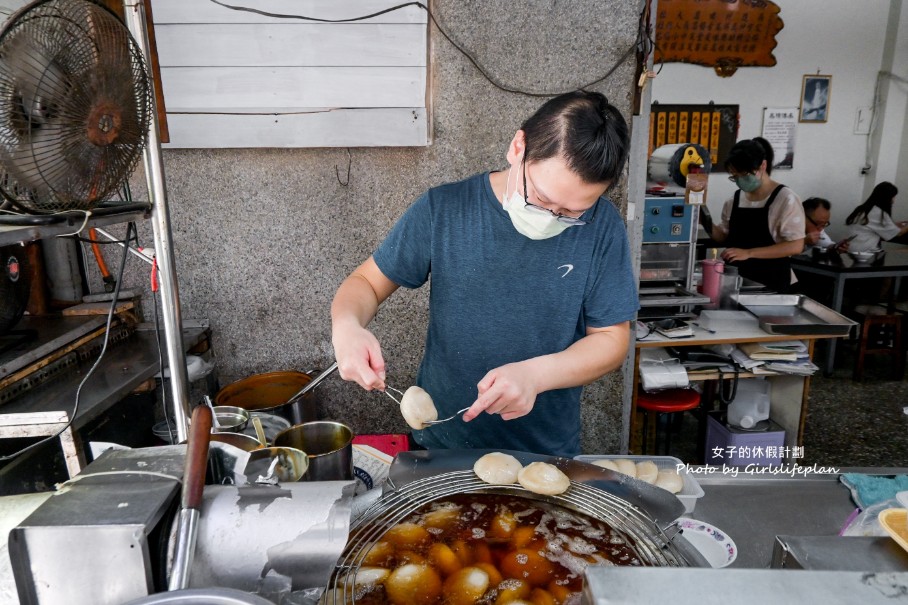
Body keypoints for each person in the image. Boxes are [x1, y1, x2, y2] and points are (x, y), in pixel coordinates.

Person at [330, 91, 638, 457]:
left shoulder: (602, 228)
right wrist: (347, 326)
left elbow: (610, 340)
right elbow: (366, 282)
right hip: (442, 443)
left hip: (544, 451)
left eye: (571, 212)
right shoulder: (445, 209)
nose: (551, 218)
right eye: (539, 197)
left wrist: (536, 376)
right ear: (518, 147)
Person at [699, 137, 805, 293]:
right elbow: (723, 237)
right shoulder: (734, 200)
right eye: (734, 177)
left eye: (745, 175)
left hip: (772, 283)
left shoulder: (785, 199)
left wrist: (749, 253)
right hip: (737, 280)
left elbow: (795, 246)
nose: (740, 180)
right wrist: (702, 218)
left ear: (763, 165)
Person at [845, 182, 908, 252]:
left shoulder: (862, 209)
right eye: (893, 197)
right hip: (864, 252)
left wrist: (894, 225)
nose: (893, 201)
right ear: (886, 198)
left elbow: (872, 226)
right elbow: (898, 233)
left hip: (850, 249)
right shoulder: (878, 213)